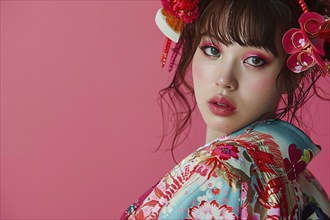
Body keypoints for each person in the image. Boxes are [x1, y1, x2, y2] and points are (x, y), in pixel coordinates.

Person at [121, 0, 330, 219]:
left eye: (254, 60)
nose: (224, 79)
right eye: (212, 50)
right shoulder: (304, 181)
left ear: (294, 73)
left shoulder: (222, 173)